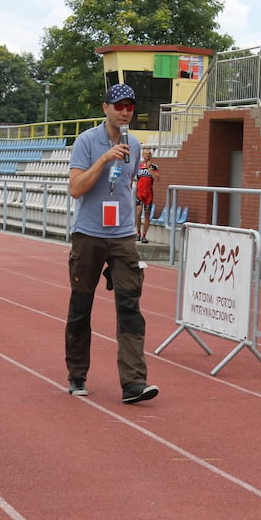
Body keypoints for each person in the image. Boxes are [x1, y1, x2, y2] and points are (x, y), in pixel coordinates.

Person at [64, 83, 159, 404]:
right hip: (89, 235)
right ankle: (77, 374)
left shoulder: (134, 143)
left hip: (122, 236)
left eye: (130, 106)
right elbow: (76, 188)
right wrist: (104, 159)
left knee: (130, 306)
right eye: (119, 106)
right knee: (81, 307)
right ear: (105, 107)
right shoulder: (86, 141)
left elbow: (125, 187)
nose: (125, 111)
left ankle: (134, 382)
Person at [134, 147, 160, 243]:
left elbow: (157, 179)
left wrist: (150, 169)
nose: (147, 155)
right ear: (142, 155)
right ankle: (138, 233)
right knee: (138, 212)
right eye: (145, 153)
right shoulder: (138, 166)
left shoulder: (154, 167)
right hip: (140, 192)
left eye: (149, 154)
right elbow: (134, 177)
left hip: (149, 193)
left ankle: (144, 235)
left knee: (147, 214)